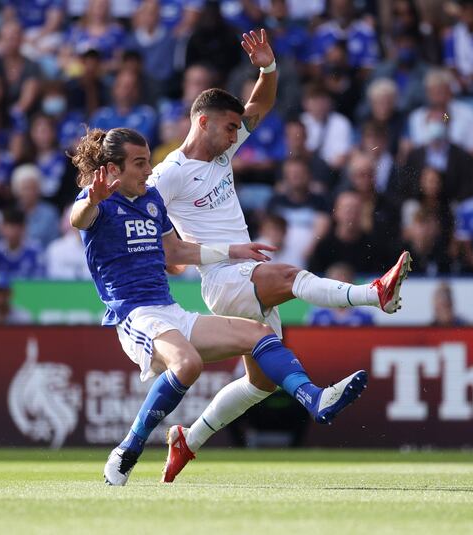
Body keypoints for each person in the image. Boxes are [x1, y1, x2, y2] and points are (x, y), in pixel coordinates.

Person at [148, 30, 411, 462]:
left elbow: (261, 105)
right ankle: (372, 294)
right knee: (289, 276)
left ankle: (187, 441)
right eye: (230, 127)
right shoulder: (168, 175)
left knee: (260, 384)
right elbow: (158, 241)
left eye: (237, 129)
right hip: (223, 278)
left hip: (241, 275)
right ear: (203, 122)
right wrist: (189, 253)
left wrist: (267, 67)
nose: (237, 136)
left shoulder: (221, 153)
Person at [69, 126, 369, 486]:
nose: (149, 170)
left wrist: (231, 251)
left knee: (258, 334)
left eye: (149, 161)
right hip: (134, 314)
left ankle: (315, 398)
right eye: (139, 163)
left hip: (169, 310)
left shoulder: (151, 203)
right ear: (114, 169)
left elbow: (176, 253)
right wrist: (92, 200)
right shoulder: (98, 200)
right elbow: (79, 219)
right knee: (188, 363)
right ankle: (128, 450)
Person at [308, 263, 376, 326]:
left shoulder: (365, 316)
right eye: (334, 284)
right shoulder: (317, 315)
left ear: (352, 284)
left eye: (343, 285)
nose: (339, 291)